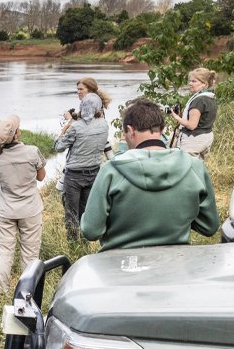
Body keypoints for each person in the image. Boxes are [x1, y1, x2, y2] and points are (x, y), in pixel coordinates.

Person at [80, 99, 219, 251]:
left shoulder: (111, 170)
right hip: (177, 265)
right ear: (162, 129)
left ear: (130, 130)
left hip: (121, 266)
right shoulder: (195, 166)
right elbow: (209, 227)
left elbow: (91, 231)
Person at [0, 115, 46, 294]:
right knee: (30, 253)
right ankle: (27, 292)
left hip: (6, 210)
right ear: (17, 135)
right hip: (30, 210)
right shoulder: (33, 151)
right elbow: (41, 177)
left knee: (4, 251)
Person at [55, 77, 110, 240]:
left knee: (71, 212)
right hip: (94, 170)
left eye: (81, 90)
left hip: (75, 173)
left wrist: (67, 125)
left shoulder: (77, 126)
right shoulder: (103, 123)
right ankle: (86, 240)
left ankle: (73, 243)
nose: (79, 92)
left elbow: (58, 146)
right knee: (86, 210)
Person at [170, 67, 218, 160]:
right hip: (206, 137)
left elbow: (192, 125)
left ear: (204, 84)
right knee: (199, 169)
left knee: (186, 170)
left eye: (194, 81)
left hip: (193, 140)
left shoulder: (199, 100)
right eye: (190, 81)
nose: (190, 84)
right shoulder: (210, 97)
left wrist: (176, 117)